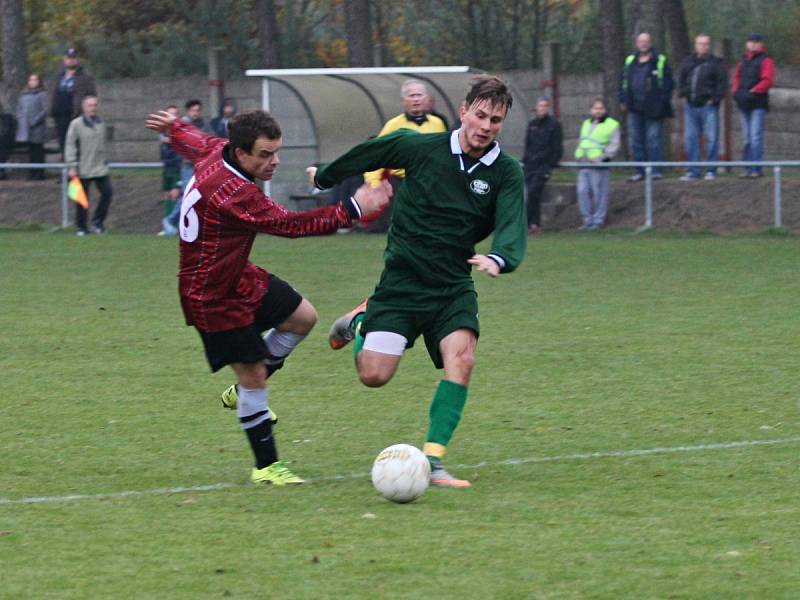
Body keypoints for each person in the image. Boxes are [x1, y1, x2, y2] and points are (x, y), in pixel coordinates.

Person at [144, 108, 391, 486]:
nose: (273, 161)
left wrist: (174, 127)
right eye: (264, 154)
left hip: (236, 274)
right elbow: (290, 225)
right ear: (241, 153)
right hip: (211, 296)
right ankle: (267, 468)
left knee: (302, 317)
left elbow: (195, 142)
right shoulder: (232, 193)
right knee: (255, 377)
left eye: (276, 152)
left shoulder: (219, 149)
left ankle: (243, 389)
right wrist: (355, 208)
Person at [310, 76, 527, 488]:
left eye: (495, 120)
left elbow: (513, 220)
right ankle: (363, 319)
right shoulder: (421, 147)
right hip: (403, 284)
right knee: (374, 376)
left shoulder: (506, 172)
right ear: (463, 111)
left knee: (461, 361)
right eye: (480, 115)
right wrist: (324, 176)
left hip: (451, 286)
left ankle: (434, 463)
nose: (485, 125)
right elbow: (371, 151)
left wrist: (501, 256)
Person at [362, 79, 447, 231]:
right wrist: (373, 183)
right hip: (402, 184)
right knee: (404, 227)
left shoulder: (438, 124)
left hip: (429, 184)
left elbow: (444, 154)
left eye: (419, 95)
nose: (415, 99)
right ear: (403, 101)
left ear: (426, 98)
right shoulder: (393, 125)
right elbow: (376, 155)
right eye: (411, 95)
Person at [619, 32, 674, 182]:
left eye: (646, 41)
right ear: (637, 44)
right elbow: (623, 81)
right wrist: (623, 100)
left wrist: (662, 101)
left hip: (654, 108)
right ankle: (639, 171)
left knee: (653, 140)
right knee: (636, 140)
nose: (643, 44)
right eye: (640, 41)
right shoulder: (630, 61)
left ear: (650, 43)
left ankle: (655, 171)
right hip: (634, 107)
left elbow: (668, 84)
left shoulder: (660, 60)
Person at [677, 34, 727, 181]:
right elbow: (681, 79)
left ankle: (711, 170)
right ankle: (693, 170)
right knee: (691, 138)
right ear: (695, 45)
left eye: (705, 44)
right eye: (700, 43)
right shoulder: (688, 62)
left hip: (708, 106)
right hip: (690, 105)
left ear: (709, 46)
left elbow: (721, 83)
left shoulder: (716, 63)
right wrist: (684, 95)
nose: (703, 46)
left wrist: (714, 99)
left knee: (712, 138)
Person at [65, 95, 112, 236]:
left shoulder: (101, 123)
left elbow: (103, 144)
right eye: (90, 105)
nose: (93, 108)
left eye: (95, 105)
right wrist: (72, 165)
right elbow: (70, 145)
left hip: (99, 167)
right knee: (82, 199)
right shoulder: (76, 124)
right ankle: (82, 227)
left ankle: (98, 222)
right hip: (82, 167)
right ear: (84, 107)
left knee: (107, 193)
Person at [732, 33, 776, 179]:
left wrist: (754, 91)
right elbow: (736, 78)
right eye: (750, 41)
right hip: (744, 103)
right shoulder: (743, 61)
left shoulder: (766, 60)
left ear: (760, 44)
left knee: (755, 136)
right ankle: (746, 168)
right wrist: (737, 92)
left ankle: (756, 168)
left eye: (756, 42)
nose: (753, 44)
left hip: (758, 104)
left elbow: (767, 80)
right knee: (746, 138)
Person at [574, 98, 620, 230]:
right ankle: (587, 220)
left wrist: (605, 157)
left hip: (598, 164)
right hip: (583, 163)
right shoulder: (586, 123)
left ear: (605, 110)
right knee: (582, 192)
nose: (598, 111)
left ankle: (598, 220)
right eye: (595, 108)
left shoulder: (612, 124)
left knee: (599, 193)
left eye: (600, 108)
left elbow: (614, 144)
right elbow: (582, 141)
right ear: (591, 110)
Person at [522, 96, 563, 234]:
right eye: (540, 105)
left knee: (533, 192)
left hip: (543, 166)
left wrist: (550, 165)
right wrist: (525, 161)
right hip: (530, 165)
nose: (542, 108)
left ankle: (525, 224)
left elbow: (557, 147)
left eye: (545, 106)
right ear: (536, 107)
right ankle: (535, 225)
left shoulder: (554, 125)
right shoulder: (532, 124)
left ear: (548, 107)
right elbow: (527, 145)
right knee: (533, 195)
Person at [48, 48, 97, 156]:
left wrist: (87, 112)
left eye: (73, 58)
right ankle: (66, 168)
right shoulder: (58, 77)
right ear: (64, 60)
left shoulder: (85, 77)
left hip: (76, 115)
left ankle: (78, 169)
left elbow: (92, 95)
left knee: (77, 143)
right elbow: (52, 93)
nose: (71, 60)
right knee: (63, 143)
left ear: (77, 60)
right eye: (68, 58)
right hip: (59, 115)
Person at [15, 74, 49, 180]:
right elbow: (19, 109)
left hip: (38, 128)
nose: (33, 82)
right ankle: (32, 172)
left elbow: (45, 110)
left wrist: (35, 120)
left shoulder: (43, 94)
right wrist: (21, 119)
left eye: (35, 80)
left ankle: (40, 173)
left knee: (38, 150)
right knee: (31, 151)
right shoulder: (23, 96)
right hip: (26, 128)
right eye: (31, 80)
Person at [157, 105, 183, 236]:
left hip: (177, 167)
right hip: (166, 167)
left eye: (174, 114)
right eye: (169, 114)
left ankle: (175, 226)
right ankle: (168, 226)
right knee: (167, 195)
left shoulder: (178, 131)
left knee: (176, 195)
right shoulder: (162, 132)